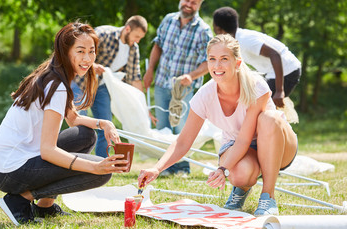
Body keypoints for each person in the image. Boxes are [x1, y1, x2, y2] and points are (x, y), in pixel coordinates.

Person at [138, 34, 298, 216]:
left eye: (224, 59)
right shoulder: (204, 96)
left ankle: (268, 197)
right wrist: (157, 168)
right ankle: (242, 189)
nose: (217, 66)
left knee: (269, 118)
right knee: (239, 175)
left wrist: (223, 168)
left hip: (278, 144)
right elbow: (183, 142)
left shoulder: (256, 86)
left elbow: (246, 138)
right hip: (243, 149)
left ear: (237, 63)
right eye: (212, 59)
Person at [0, 21, 129, 226]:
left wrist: (104, 123)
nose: (87, 59)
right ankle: (19, 200)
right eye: (80, 51)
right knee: (100, 175)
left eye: (92, 51)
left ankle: (44, 207)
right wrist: (94, 166)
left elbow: (74, 119)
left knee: (86, 134)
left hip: (2, 163)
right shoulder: (57, 86)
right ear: (65, 51)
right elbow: (48, 151)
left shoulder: (52, 75)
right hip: (9, 170)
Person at [143, 0, 213, 176]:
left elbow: (208, 62)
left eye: (194, 2)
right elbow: (157, 46)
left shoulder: (203, 30)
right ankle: (163, 168)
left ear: (200, 4)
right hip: (161, 82)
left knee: (182, 129)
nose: (189, 4)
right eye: (186, 0)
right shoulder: (168, 20)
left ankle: (182, 167)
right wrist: (150, 70)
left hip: (184, 90)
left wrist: (192, 76)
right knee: (163, 128)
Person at [72, 15, 156, 158]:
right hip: (81, 83)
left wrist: (143, 107)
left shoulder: (133, 49)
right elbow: (77, 51)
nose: (138, 41)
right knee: (80, 125)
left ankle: (102, 165)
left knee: (107, 127)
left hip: (102, 87)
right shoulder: (104, 34)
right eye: (136, 36)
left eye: (140, 38)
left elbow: (135, 78)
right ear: (127, 29)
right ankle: (76, 163)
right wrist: (93, 65)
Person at [212, 7, 301, 108]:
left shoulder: (245, 41)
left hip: (287, 70)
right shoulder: (234, 41)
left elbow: (275, 55)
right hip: (272, 72)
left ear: (218, 29)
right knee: (256, 108)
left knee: (261, 110)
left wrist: (280, 91)